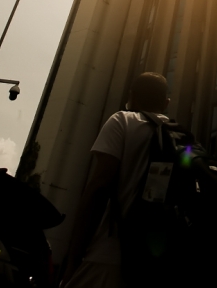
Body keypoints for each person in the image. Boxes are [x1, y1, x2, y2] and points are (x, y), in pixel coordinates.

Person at [61, 72, 172, 288]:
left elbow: (98, 188)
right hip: (156, 264)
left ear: (131, 96)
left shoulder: (122, 121)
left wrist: (73, 257)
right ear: (166, 103)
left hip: (109, 256)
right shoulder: (179, 136)